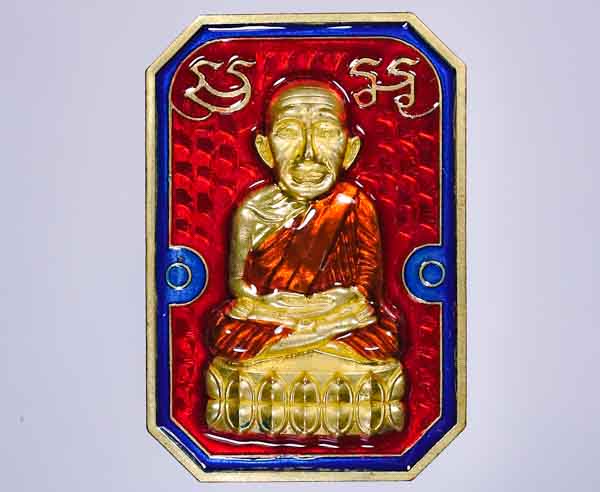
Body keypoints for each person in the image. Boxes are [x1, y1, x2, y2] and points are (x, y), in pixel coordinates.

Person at [205, 79, 406, 436]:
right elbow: (238, 284)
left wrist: (341, 300)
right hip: (271, 315)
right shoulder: (252, 210)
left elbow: (366, 284)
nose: (308, 153)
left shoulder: (353, 203)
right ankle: (304, 353)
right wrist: (273, 304)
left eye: (326, 132)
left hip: (340, 317)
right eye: (289, 133)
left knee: (380, 336)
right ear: (265, 149)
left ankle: (305, 352)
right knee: (229, 333)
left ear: (350, 149)